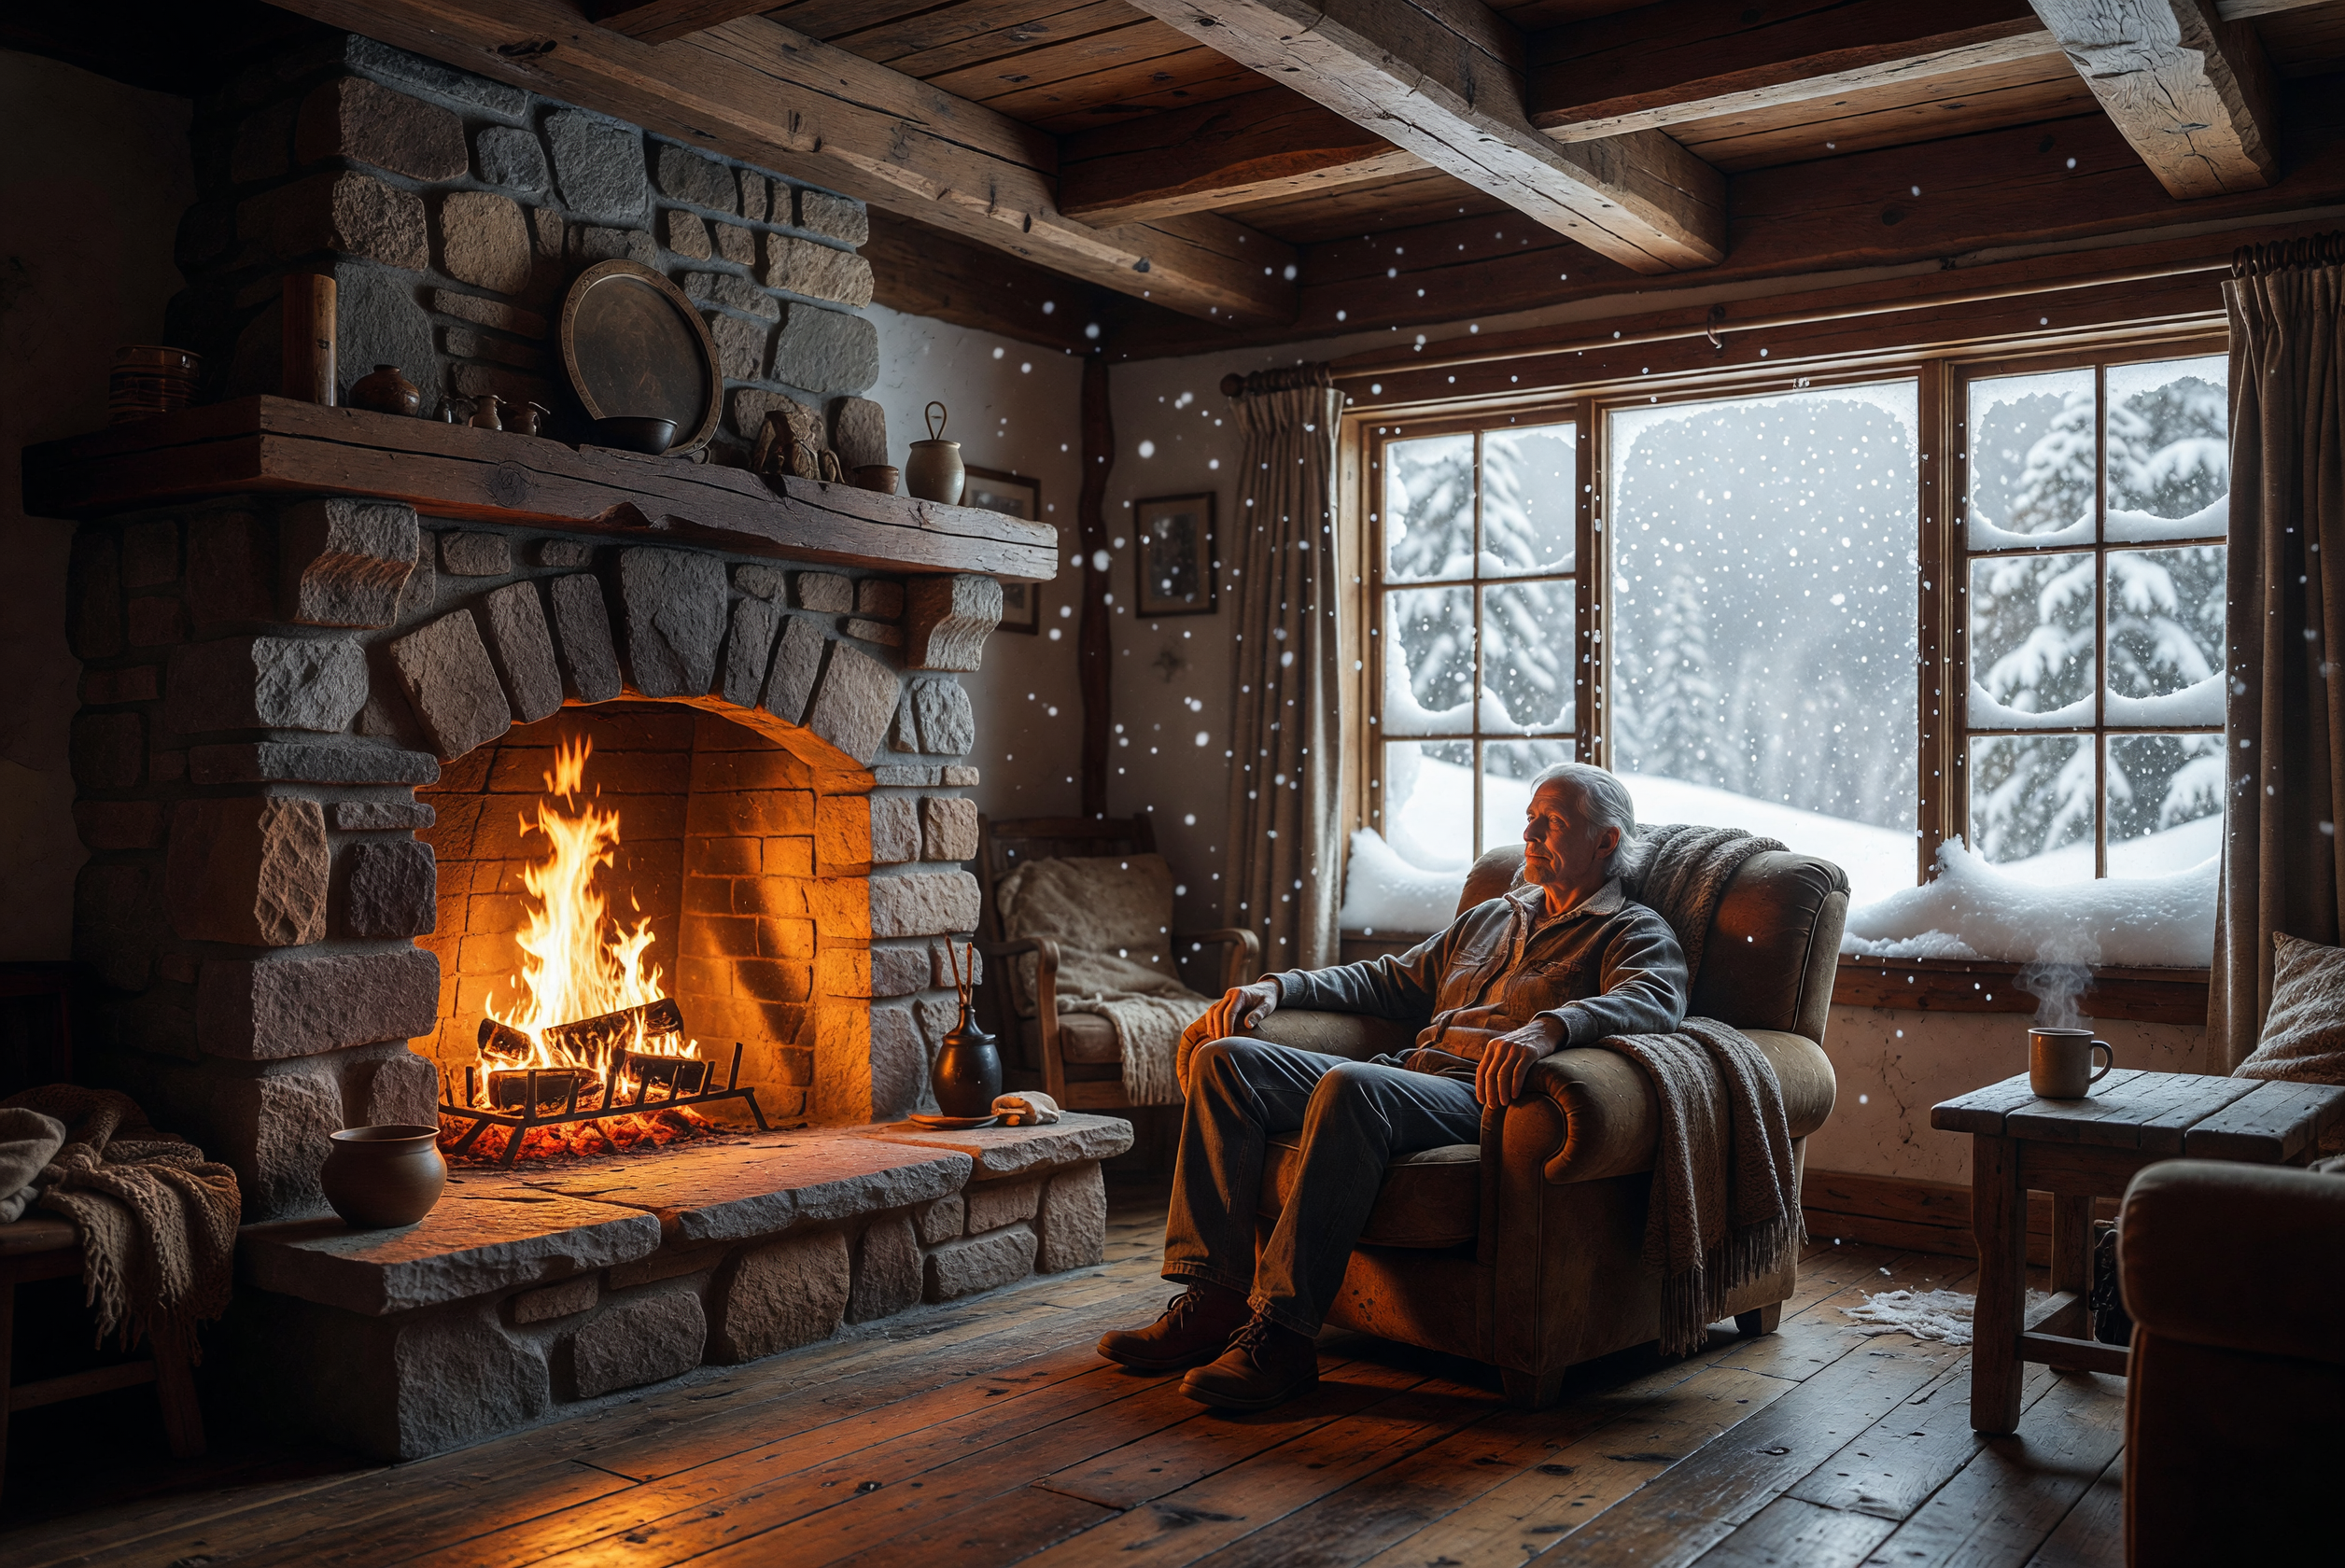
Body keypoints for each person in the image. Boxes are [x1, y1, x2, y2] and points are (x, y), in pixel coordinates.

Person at [1097, 762, 1691, 1410]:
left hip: (1482, 1099)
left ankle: (1284, 1338)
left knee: (1354, 1085)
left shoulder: (1632, 929)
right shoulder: (1492, 916)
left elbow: (1654, 1001)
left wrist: (1551, 1027)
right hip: (1410, 1075)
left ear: (1606, 841)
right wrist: (1278, 987)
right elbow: (1387, 979)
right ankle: (1212, 1299)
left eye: (1552, 821)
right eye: (1530, 817)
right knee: (1226, 1060)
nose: (1529, 833)